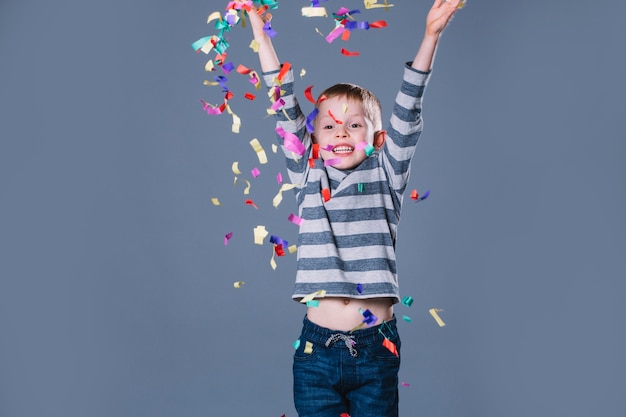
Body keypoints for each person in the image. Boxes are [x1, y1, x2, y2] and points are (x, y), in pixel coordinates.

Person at [239, 1, 461, 415]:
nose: (341, 130)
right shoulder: (308, 174)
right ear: (316, 140)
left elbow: (408, 109)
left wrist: (431, 36)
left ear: (377, 138)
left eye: (355, 124)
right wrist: (258, 29)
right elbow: (282, 103)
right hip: (314, 354)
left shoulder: (386, 174)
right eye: (329, 125)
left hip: (376, 352)